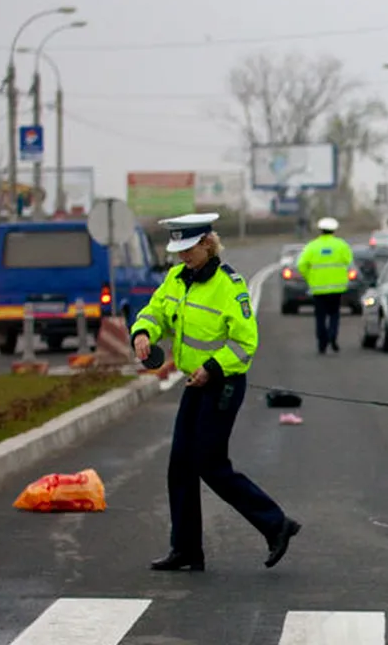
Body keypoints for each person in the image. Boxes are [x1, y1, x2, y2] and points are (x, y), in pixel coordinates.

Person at [131, 213, 301, 572]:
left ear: (208, 244)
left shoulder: (230, 286)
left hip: (222, 384)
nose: (183, 256)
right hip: (195, 383)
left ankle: (275, 524)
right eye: (178, 250)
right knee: (180, 466)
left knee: (209, 464)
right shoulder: (177, 278)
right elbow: (155, 311)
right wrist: (143, 332)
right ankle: (187, 549)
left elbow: (245, 343)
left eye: (189, 249)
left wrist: (212, 369)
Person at [296, 216, 354, 354]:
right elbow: (349, 262)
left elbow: (301, 265)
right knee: (334, 314)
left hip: (318, 288)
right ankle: (332, 336)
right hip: (337, 288)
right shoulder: (341, 245)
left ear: (320, 230)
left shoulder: (312, 246)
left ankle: (322, 342)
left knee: (320, 316)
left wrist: (310, 277)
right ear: (334, 230)